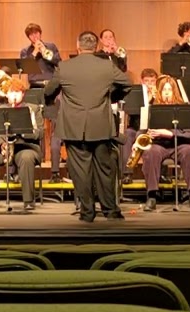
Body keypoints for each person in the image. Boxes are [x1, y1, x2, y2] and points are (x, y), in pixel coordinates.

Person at [44, 30, 134, 222]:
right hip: (101, 125)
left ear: (78, 46)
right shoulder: (107, 66)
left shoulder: (64, 67)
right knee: (105, 170)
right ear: (95, 47)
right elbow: (127, 83)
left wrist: (50, 100)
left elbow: (49, 91)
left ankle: (87, 212)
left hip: (73, 128)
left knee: (80, 172)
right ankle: (111, 211)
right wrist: (111, 96)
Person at [138, 75, 190, 212]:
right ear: (160, 92)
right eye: (164, 90)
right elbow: (142, 130)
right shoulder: (152, 108)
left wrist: (169, 133)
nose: (167, 92)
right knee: (151, 153)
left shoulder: (184, 109)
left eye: (170, 89)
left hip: (180, 143)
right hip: (158, 144)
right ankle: (151, 196)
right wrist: (137, 142)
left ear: (175, 92)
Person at [0, 77, 41, 209]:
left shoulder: (33, 109)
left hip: (25, 147)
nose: (14, 95)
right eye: (11, 92)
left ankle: (28, 200)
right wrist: (1, 144)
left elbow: (39, 133)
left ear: (23, 94)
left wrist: (23, 130)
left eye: (17, 92)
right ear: (7, 94)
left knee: (26, 158)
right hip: (3, 149)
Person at [20, 23, 65, 179]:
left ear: (40, 33)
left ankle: (55, 168)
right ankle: (38, 161)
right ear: (29, 37)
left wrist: (46, 53)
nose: (35, 37)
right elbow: (26, 68)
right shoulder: (25, 52)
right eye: (32, 35)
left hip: (52, 88)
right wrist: (35, 53)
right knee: (37, 125)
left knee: (54, 126)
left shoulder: (51, 46)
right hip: (34, 88)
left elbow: (59, 62)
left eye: (37, 33)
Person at [120, 68, 158, 167]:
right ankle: (127, 172)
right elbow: (132, 114)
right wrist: (146, 100)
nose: (149, 84)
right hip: (136, 127)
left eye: (152, 81)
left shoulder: (159, 96)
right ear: (141, 81)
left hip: (152, 130)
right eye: (146, 81)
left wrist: (154, 99)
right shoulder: (135, 95)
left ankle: (161, 173)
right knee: (127, 135)